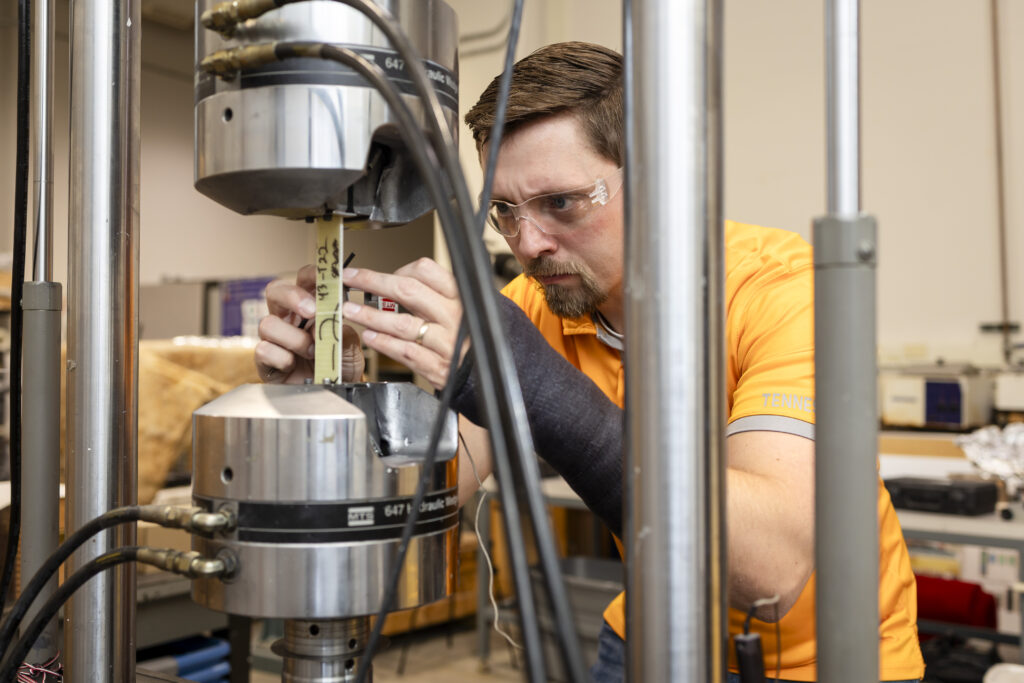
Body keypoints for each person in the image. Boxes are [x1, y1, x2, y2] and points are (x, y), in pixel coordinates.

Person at [256, 42, 924, 683]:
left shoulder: (780, 288)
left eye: (561, 203)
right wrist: (324, 402)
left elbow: (770, 574)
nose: (529, 244)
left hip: (825, 656)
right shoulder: (538, 304)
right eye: (505, 213)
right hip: (647, 629)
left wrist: (539, 387)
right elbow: (437, 488)